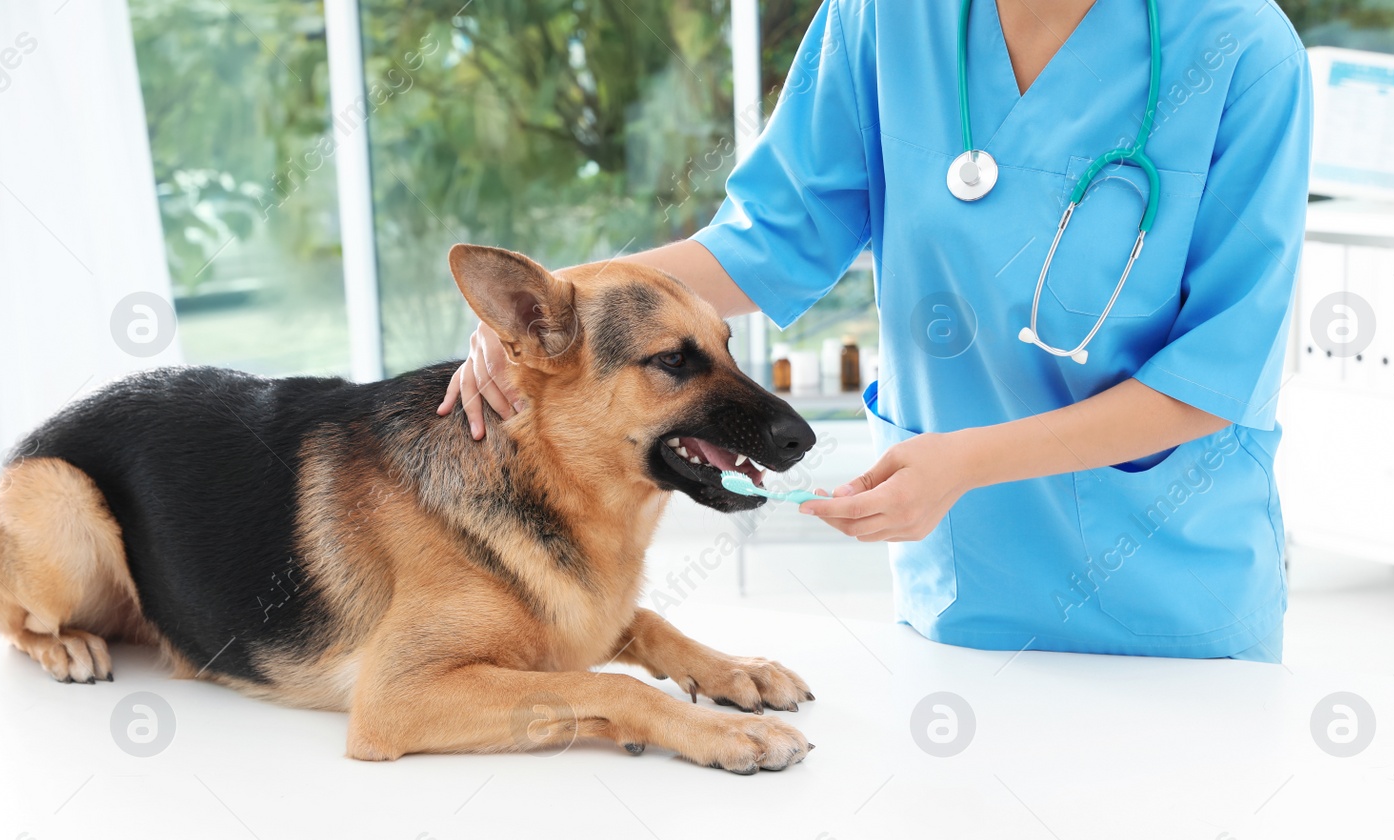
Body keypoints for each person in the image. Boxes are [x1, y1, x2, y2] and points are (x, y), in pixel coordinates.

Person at [439, 0, 1311, 661]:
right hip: (965, 600)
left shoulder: (1244, 51)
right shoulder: (884, 16)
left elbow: (1212, 378)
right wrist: (553, 311)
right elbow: (770, 242)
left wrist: (965, 463)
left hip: (1169, 605)